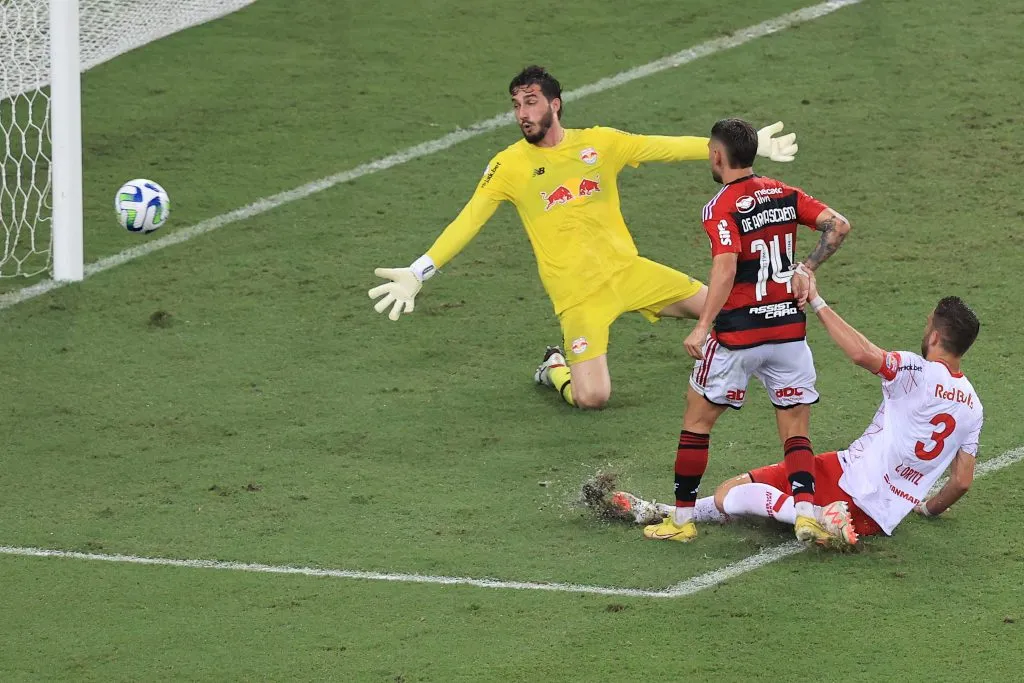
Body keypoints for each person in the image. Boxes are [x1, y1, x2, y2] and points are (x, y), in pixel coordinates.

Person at [368, 66, 799, 409]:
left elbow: (664, 147)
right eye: (516, 105)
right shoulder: (508, 166)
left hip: (629, 273)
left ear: (554, 104)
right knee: (593, 397)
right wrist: (419, 271)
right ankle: (553, 367)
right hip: (579, 298)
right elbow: (468, 220)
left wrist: (748, 147)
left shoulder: (600, 144)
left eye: (531, 102)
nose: (522, 113)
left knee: (732, 310)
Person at [619, 276, 983, 546]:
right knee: (744, 501)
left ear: (935, 336)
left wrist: (818, 302)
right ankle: (660, 510)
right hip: (877, 520)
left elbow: (863, 354)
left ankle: (818, 515)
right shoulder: (973, 406)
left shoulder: (917, 371)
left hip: (847, 479)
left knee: (731, 492)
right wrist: (928, 508)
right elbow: (961, 481)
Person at [642, 118, 851, 545]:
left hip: (738, 336)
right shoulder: (785, 193)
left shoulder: (720, 206)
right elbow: (839, 225)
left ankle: (681, 520)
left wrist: (702, 326)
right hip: (788, 333)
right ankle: (806, 515)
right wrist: (806, 268)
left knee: (697, 423)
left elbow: (725, 267)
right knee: (796, 430)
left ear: (718, 156)